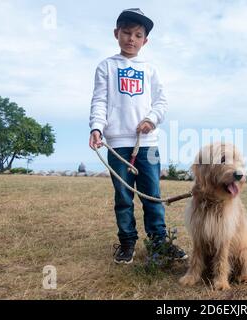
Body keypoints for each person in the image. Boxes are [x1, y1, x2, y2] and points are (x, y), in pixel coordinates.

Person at [89, 8, 187, 265]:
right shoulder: (106, 67)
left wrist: (151, 119)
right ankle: (127, 242)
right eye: (126, 33)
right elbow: (99, 100)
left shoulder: (150, 69)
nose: (131, 39)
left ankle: (159, 242)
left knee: (152, 195)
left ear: (145, 40)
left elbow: (161, 102)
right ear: (116, 34)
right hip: (118, 143)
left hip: (148, 144)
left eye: (138, 34)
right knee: (123, 196)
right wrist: (96, 128)